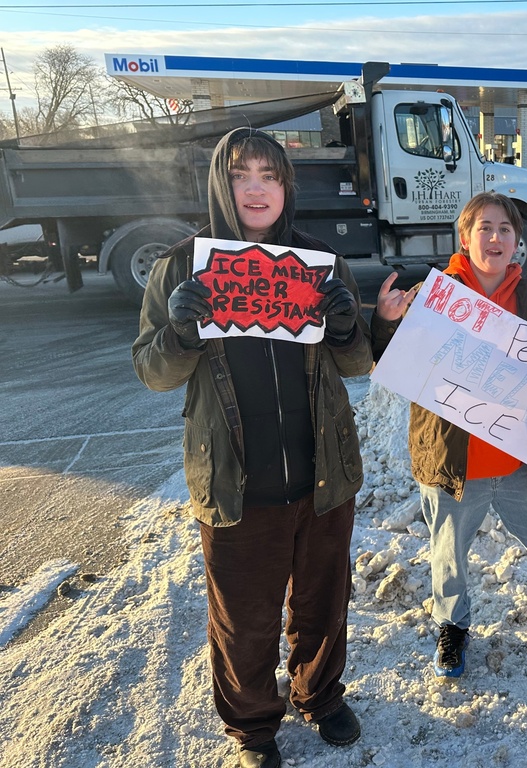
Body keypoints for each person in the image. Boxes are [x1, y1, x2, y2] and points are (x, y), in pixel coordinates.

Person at [132, 128, 373, 768]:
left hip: (324, 474)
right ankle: (253, 725)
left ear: (286, 187)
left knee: (324, 603)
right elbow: (152, 371)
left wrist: (349, 325)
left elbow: (356, 364)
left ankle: (318, 694)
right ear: (221, 185)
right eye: (243, 175)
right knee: (245, 620)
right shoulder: (181, 267)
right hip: (236, 482)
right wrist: (181, 332)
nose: (258, 187)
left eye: (270, 175)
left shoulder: (321, 261)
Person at [371, 191, 527, 679]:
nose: (494, 237)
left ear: (517, 241)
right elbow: (390, 363)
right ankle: (452, 624)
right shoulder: (436, 296)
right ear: (465, 237)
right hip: (453, 461)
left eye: (505, 229)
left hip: (518, 460)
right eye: (484, 227)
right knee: (448, 552)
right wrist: (385, 325)